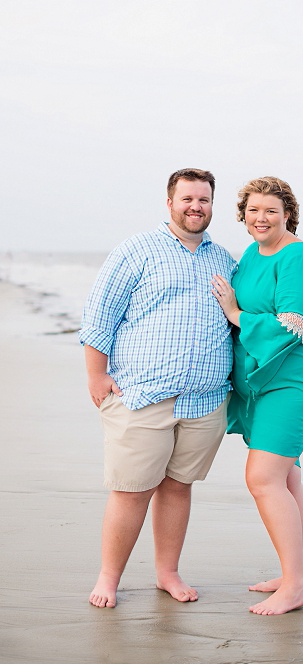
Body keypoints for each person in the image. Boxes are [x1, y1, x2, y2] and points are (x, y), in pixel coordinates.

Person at [80, 168, 235, 608]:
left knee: (177, 487)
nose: (195, 207)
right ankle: (109, 579)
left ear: (211, 205)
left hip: (204, 400)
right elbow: (99, 315)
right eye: (187, 199)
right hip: (142, 394)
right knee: (132, 489)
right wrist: (96, 375)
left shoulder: (224, 260)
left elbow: (235, 322)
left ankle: (167, 573)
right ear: (169, 203)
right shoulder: (136, 250)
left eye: (203, 200)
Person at [211, 176, 303, 616]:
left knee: (263, 478)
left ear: (288, 215)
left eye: (271, 211)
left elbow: (295, 325)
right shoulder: (250, 253)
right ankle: (292, 572)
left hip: (295, 378)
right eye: (253, 210)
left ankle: (296, 586)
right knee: (286, 479)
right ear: (242, 214)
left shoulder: (297, 255)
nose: (261, 218)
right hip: (264, 379)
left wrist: (234, 313)